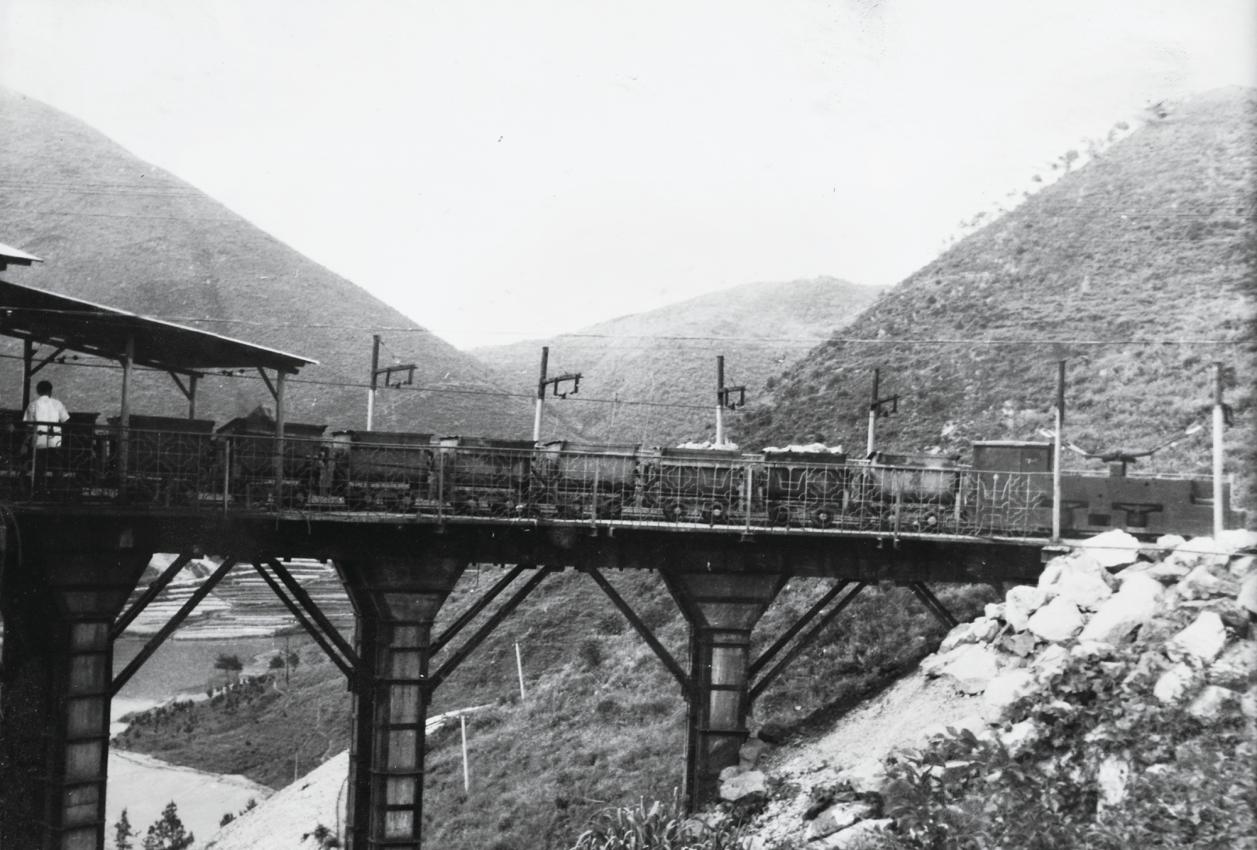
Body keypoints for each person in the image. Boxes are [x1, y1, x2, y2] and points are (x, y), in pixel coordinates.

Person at [24, 379, 70, 493]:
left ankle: (38, 490)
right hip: (55, 441)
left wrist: (25, 442)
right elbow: (66, 420)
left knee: (39, 468)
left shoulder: (33, 404)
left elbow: (29, 425)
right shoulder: (57, 404)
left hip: (39, 441)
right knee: (57, 467)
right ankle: (57, 491)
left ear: (38, 391)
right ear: (50, 391)